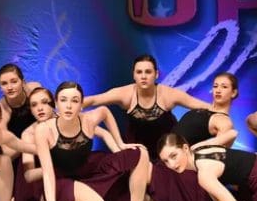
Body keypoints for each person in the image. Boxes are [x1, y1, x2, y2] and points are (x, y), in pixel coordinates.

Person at [35, 81, 162, 201]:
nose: (68, 106)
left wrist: (120, 144)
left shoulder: (89, 119)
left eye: (74, 101)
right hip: (61, 181)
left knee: (140, 152)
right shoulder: (44, 130)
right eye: (63, 100)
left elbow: (105, 112)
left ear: (81, 105)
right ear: (56, 104)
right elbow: (48, 175)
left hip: (87, 170)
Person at [147, 72, 239, 201]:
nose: (218, 90)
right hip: (168, 160)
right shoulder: (204, 108)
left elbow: (222, 149)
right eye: (215, 86)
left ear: (234, 92)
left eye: (224, 87)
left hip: (182, 167)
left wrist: (198, 148)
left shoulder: (223, 120)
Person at [83, 54, 211, 160]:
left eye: (148, 72)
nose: (143, 76)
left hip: (168, 151)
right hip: (137, 151)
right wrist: (70, 105)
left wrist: (222, 118)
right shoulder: (125, 94)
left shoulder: (168, 94)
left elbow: (204, 107)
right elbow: (94, 100)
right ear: (134, 75)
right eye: (139, 72)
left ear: (156, 74)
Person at [0, 64, 42, 138]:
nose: (9, 87)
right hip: (18, 144)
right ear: (0, 87)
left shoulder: (34, 89)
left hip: (40, 135)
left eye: (14, 82)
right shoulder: (2, 108)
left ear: (23, 82)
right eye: (4, 83)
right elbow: (4, 142)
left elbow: (50, 114)